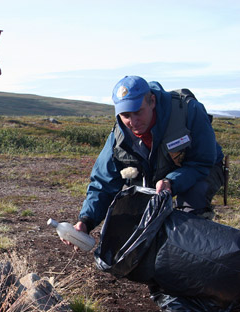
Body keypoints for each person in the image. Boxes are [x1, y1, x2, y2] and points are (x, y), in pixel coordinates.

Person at [68, 75, 224, 241]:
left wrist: (172, 182)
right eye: (126, 115)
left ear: (152, 101)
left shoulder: (188, 110)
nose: (133, 121)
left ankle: (195, 256)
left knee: (191, 211)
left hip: (201, 170)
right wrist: (86, 221)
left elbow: (202, 161)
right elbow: (103, 183)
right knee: (138, 224)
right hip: (156, 178)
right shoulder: (119, 137)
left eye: (138, 112)